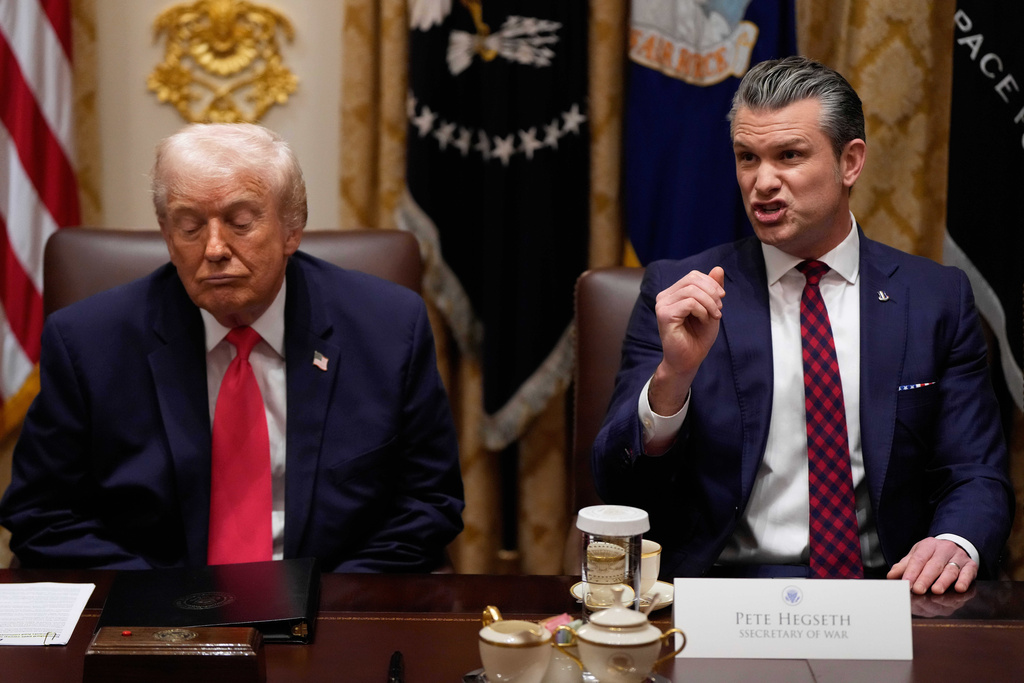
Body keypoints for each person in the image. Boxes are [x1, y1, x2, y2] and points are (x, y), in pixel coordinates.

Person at [592, 56, 1013, 594]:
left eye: (789, 155)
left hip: (889, 588)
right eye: (747, 157)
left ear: (850, 162)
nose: (762, 182)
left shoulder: (935, 299)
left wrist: (955, 541)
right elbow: (616, 482)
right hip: (724, 588)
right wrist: (674, 378)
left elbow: (976, 472)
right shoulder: (680, 291)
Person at [0, 123, 465, 572]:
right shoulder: (88, 341)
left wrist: (334, 602)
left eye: (241, 222)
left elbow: (428, 502)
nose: (215, 248)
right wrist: (161, 604)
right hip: (153, 612)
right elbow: (41, 515)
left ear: (292, 230)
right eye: (189, 227)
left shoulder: (387, 327)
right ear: (166, 234)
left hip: (332, 603)